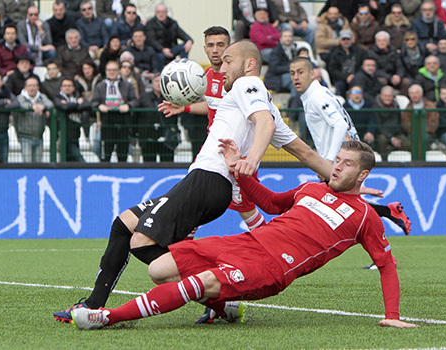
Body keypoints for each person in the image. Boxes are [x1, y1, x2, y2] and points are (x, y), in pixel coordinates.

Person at [53, 40, 336, 323]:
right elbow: (305, 152)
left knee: (142, 242)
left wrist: (252, 160)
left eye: (227, 61)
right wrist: (342, 180)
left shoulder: (248, 86)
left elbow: (266, 123)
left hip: (209, 179)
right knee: (124, 224)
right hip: (206, 182)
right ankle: (93, 303)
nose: (221, 68)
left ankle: (221, 289)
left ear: (249, 65)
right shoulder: (253, 100)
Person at [69, 140, 419, 330]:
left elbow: (386, 265)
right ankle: (224, 309)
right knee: (158, 269)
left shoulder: (364, 217)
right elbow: (269, 201)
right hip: (248, 243)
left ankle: (108, 317)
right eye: (337, 159)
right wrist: (239, 167)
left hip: (272, 267)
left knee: (201, 281)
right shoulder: (311, 187)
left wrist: (393, 314)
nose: (337, 166)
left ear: (363, 174)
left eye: (347, 164)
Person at [158, 27, 270, 236]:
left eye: (221, 45)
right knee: (197, 203)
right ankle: (184, 250)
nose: (215, 50)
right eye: (211, 45)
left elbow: (259, 117)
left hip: (238, 151)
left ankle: (271, 246)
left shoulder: (240, 81)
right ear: (205, 49)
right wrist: (186, 107)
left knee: (244, 207)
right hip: (214, 149)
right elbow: (212, 106)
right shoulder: (206, 77)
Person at [290, 57, 411, 235]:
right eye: (292, 73)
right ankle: (388, 215)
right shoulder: (315, 95)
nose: (296, 77)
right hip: (343, 157)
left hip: (341, 159)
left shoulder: (317, 96)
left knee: (339, 208)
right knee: (347, 207)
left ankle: (385, 229)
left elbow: (340, 125)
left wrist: (329, 161)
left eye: (300, 72)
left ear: (312, 74)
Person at [91, 60, 139, 162]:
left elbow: (135, 101)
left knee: (123, 153)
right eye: (109, 70)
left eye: (114, 70)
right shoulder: (100, 86)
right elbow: (93, 102)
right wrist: (99, 106)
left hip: (123, 121)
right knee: (107, 152)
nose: (111, 72)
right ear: (106, 71)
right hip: (107, 122)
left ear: (118, 71)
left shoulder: (127, 85)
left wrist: (128, 105)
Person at [135, 74, 178, 162]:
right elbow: (137, 115)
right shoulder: (144, 97)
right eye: (156, 81)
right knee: (149, 165)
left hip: (166, 137)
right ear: (152, 83)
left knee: (167, 164)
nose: (158, 84)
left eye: (161, 81)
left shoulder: (171, 97)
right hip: (148, 138)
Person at [15, 76, 53, 163]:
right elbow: (20, 104)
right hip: (25, 136)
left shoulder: (42, 97)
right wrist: (32, 107)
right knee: (27, 164)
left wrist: (43, 107)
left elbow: (50, 104)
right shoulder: (20, 97)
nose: (32, 88)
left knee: (38, 164)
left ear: (38, 87)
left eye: (34, 85)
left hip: (39, 136)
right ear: (25, 87)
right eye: (29, 86)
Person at [145, 4, 193, 71]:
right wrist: (163, 49)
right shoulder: (150, 24)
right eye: (159, 12)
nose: (161, 14)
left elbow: (183, 34)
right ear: (155, 13)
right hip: (158, 51)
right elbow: (151, 40)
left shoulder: (173, 23)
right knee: (160, 56)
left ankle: (183, 68)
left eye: (163, 12)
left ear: (166, 12)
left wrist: (189, 41)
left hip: (171, 49)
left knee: (185, 46)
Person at [53, 77, 90, 162]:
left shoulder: (78, 96)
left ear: (73, 88)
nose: (67, 88)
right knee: (78, 160)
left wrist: (70, 105)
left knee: (72, 161)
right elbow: (63, 107)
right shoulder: (58, 97)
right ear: (61, 88)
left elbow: (88, 105)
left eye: (69, 85)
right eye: (65, 86)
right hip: (64, 136)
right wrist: (77, 104)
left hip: (76, 135)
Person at [327, 29, 367, 99]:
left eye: (348, 39)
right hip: (341, 79)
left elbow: (363, 66)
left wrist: (355, 76)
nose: (346, 41)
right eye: (343, 39)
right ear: (340, 40)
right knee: (340, 85)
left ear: (351, 40)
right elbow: (332, 69)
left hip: (357, 78)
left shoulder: (360, 51)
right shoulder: (334, 53)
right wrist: (346, 77)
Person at [374, 85, 411, 160]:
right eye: (385, 96)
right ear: (381, 96)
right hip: (383, 134)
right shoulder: (375, 107)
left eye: (390, 96)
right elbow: (378, 126)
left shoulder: (396, 106)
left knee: (408, 144)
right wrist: (391, 138)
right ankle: (384, 164)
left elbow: (399, 121)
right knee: (382, 140)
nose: (387, 98)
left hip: (396, 133)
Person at [367, 31, 409, 95]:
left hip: (394, 77)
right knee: (382, 81)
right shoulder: (371, 53)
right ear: (376, 42)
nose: (381, 43)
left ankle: (401, 100)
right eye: (379, 41)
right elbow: (375, 70)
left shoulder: (393, 51)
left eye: (384, 40)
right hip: (382, 77)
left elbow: (400, 66)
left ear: (388, 42)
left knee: (406, 82)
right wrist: (390, 78)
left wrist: (398, 76)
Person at [264, 29, 297, 95]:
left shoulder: (294, 49)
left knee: (296, 84)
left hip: (287, 76)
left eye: (290, 36)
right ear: (280, 38)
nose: (288, 38)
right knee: (296, 78)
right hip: (275, 79)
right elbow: (274, 68)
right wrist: (290, 69)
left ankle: (295, 103)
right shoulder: (276, 51)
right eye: (285, 36)